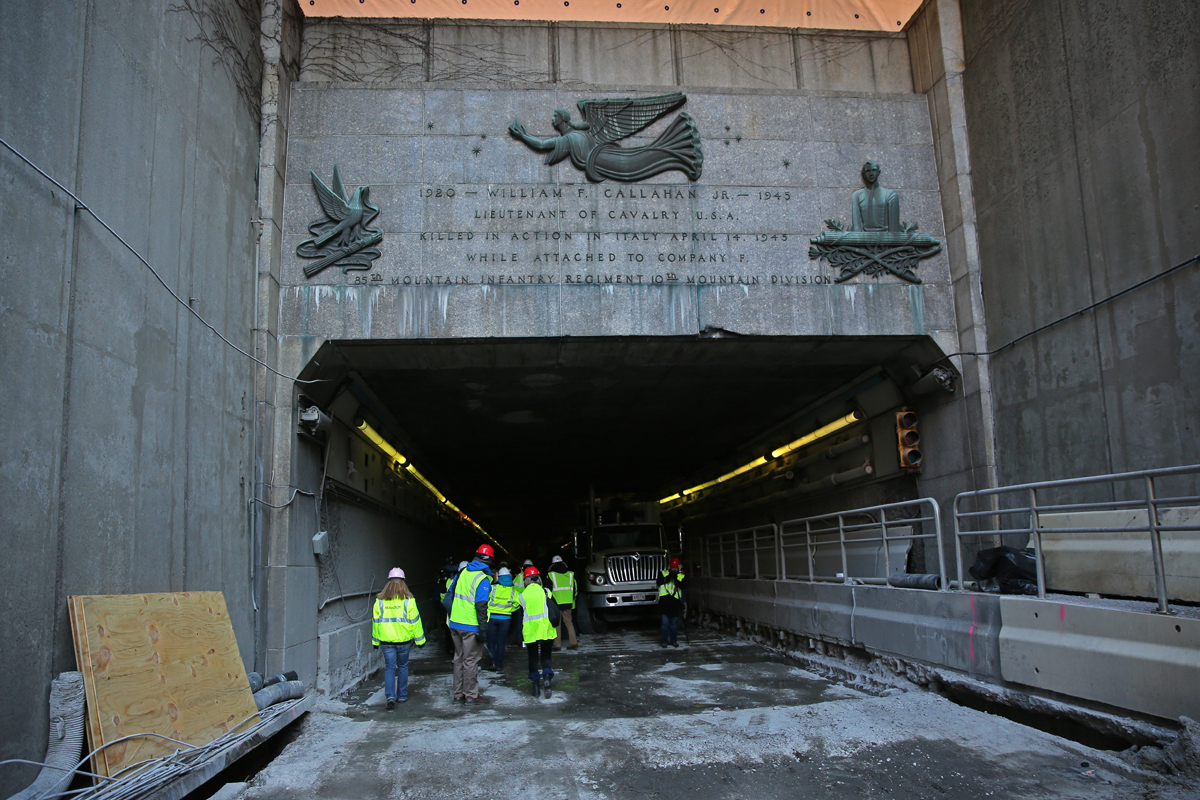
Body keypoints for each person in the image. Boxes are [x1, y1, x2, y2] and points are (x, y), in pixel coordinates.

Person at [372, 568, 426, 709]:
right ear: (403, 582)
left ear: (388, 582)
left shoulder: (380, 601)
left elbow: (376, 623)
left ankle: (390, 696)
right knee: (402, 667)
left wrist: (375, 641)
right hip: (404, 641)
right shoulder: (409, 601)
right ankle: (401, 696)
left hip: (386, 641)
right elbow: (415, 621)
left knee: (389, 668)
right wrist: (420, 640)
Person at [447, 545, 494, 704]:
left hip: (455, 623)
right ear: (489, 561)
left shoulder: (462, 573)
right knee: (470, 661)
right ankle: (471, 695)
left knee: (459, 658)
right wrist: (483, 629)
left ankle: (458, 694)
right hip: (470, 626)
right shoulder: (482, 579)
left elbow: (451, 595)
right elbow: (481, 606)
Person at [518, 566, 556, 698]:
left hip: (531, 632)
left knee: (533, 658)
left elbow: (517, 610)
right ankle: (546, 678)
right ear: (539, 579)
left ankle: (535, 688)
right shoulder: (546, 591)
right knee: (546, 656)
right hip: (546, 630)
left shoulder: (522, 596)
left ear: (526, 580)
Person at [851, 160, 901, 233]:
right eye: (868, 171)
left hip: (885, 238)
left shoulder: (890, 194)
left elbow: (894, 229)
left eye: (874, 170)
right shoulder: (857, 195)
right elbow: (856, 227)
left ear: (878, 172)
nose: (871, 174)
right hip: (864, 239)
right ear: (864, 174)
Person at [485, 567, 521, 672]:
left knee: (491, 641)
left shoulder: (492, 588)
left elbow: (485, 600)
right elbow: (517, 605)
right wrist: (509, 609)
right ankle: (499, 664)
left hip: (491, 618)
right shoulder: (514, 591)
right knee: (501, 642)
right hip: (505, 619)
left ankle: (492, 662)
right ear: (510, 577)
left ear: (498, 577)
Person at [548, 555, 578, 650]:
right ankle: (574, 643)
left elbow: (548, 590)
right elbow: (575, 590)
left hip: (556, 604)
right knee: (569, 623)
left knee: (557, 625)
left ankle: (557, 645)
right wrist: (571, 600)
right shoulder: (570, 575)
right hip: (568, 603)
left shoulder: (551, 575)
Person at [657, 558, 685, 648]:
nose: (674, 570)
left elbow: (683, 586)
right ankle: (664, 641)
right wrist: (669, 577)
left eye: (675, 568)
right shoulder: (663, 573)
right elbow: (659, 582)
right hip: (664, 603)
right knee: (665, 624)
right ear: (669, 567)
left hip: (675, 603)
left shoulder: (681, 576)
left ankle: (674, 640)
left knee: (673, 624)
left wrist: (677, 578)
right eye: (672, 568)